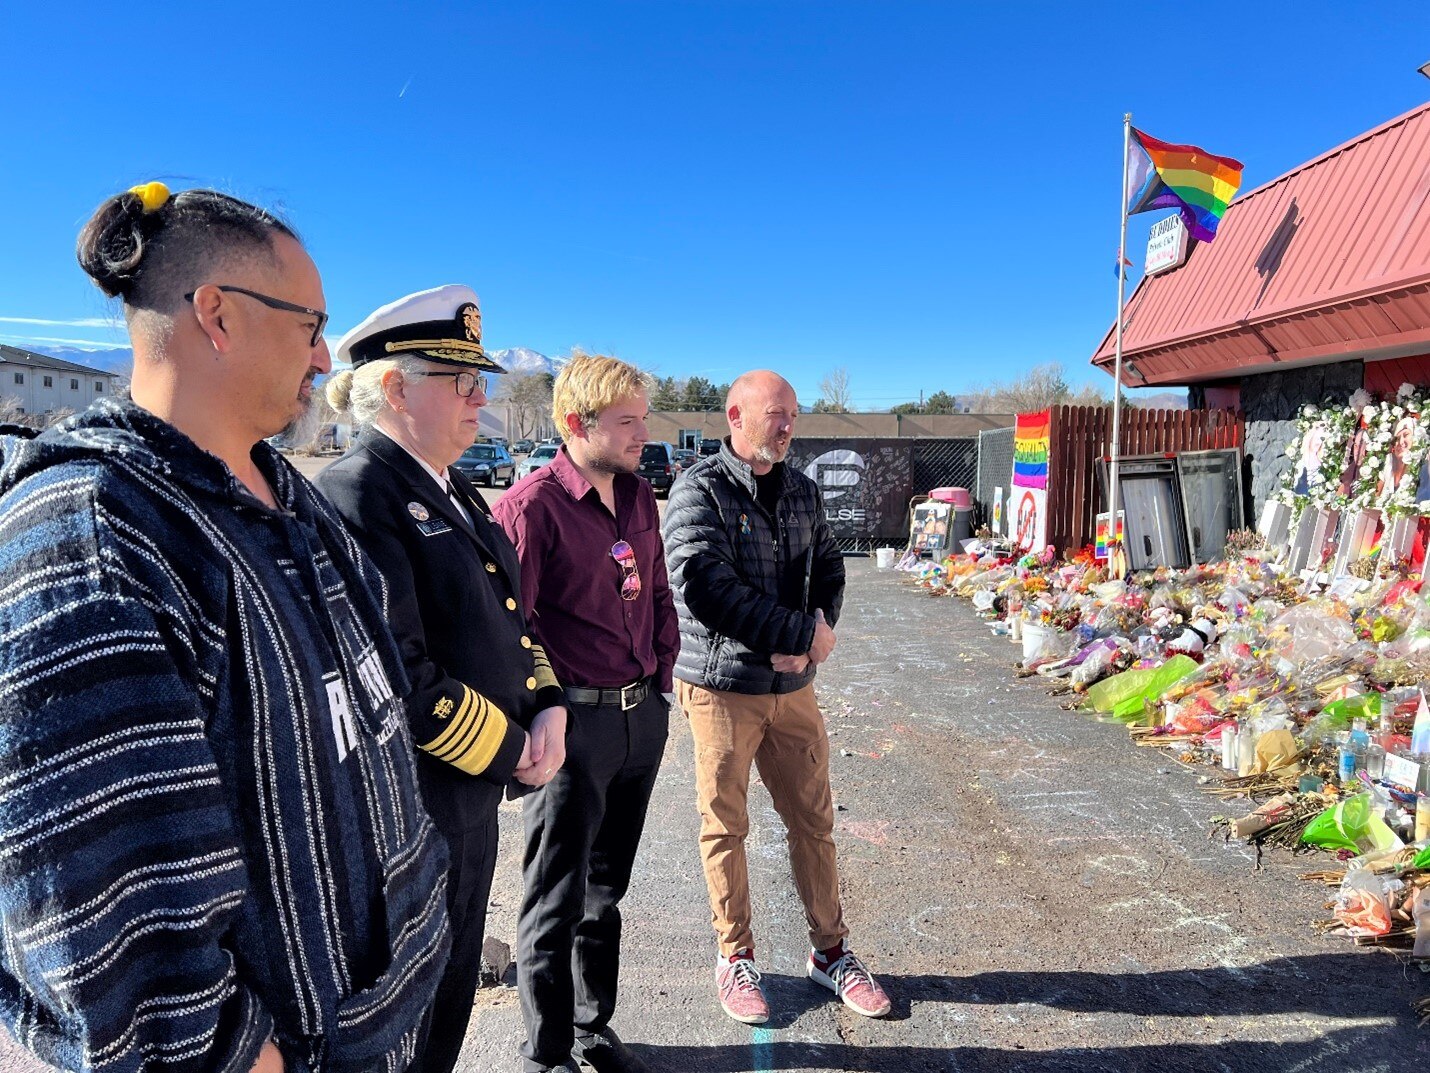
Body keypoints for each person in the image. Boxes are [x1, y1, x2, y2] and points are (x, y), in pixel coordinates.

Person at [0, 184, 450, 1072]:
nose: (326, 356)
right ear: (217, 315)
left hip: (383, 1019)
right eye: (309, 324)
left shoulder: (291, 499)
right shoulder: (92, 535)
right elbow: (105, 916)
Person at [315, 285, 569, 1073]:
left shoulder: (453, 489)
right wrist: (514, 747)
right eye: (461, 381)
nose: (480, 397)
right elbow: (397, 677)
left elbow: (513, 617)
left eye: (481, 381)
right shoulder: (357, 495)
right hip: (411, 814)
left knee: (451, 997)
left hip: (469, 803)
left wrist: (550, 702)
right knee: (404, 1025)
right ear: (394, 387)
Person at [661, 370, 891, 1025]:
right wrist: (798, 634)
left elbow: (832, 567)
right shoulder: (696, 489)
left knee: (814, 821)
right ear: (736, 414)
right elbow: (706, 587)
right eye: (774, 412)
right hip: (722, 690)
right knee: (725, 826)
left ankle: (831, 953)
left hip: (792, 691)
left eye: (793, 413)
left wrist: (815, 633)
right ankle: (734, 957)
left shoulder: (802, 491)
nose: (787, 425)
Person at [492, 353, 678, 1073]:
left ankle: (594, 1030)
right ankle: (546, 1053)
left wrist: (661, 676)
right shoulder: (530, 508)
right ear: (576, 423)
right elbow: (511, 629)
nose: (641, 434)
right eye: (626, 421)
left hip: (639, 721)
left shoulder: (638, 497)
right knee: (555, 897)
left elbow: (657, 591)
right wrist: (540, 717)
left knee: (606, 892)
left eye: (642, 418)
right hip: (572, 727)